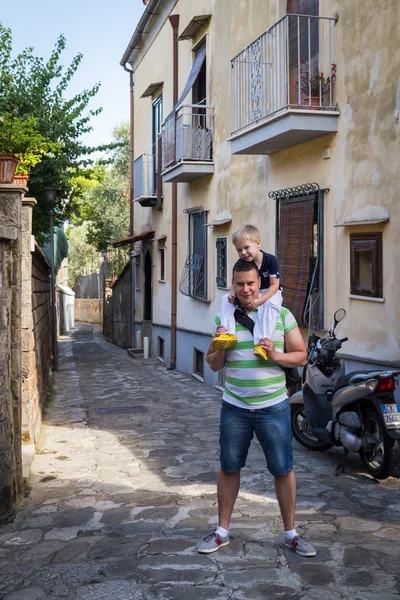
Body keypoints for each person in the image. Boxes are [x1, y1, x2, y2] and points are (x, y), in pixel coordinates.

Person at [197, 259, 316, 558]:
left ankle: (291, 533)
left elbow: (300, 356)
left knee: (282, 469)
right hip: (234, 407)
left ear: (259, 284)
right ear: (233, 287)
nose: (246, 289)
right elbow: (212, 365)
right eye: (240, 284)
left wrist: (275, 355)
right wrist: (220, 349)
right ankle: (221, 532)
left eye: (251, 283)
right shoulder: (224, 317)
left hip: (273, 407)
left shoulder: (280, 314)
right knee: (229, 467)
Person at [212, 225, 282, 361]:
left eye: (246, 248)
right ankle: (227, 334)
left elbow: (275, 285)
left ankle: (262, 342)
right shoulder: (241, 263)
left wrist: (261, 301)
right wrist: (232, 294)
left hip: (270, 292)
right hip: (252, 292)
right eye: (239, 250)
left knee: (271, 306)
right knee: (225, 299)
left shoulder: (271, 260)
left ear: (258, 243)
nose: (243, 253)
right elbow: (236, 282)